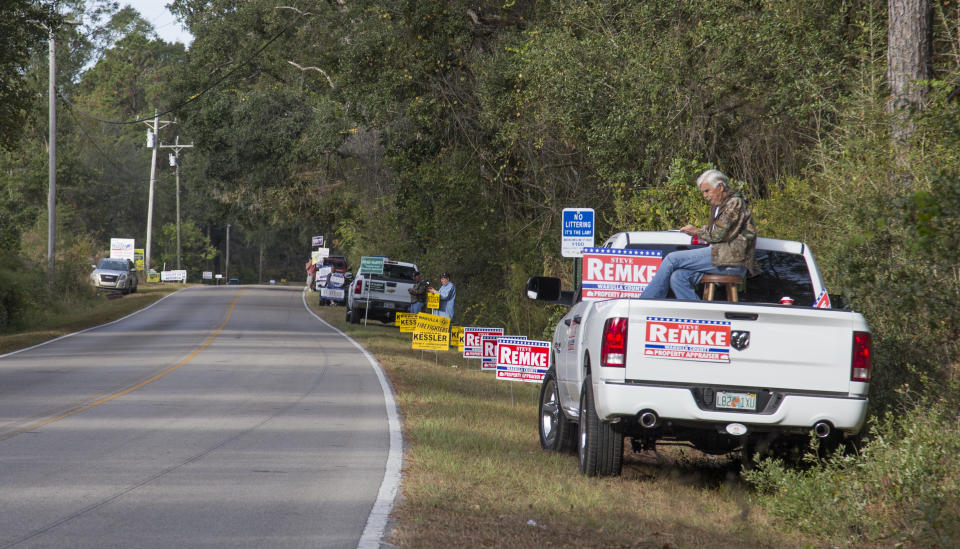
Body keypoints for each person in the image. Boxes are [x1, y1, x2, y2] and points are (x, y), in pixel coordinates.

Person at [640, 169, 758, 301]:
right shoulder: (719, 205)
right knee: (678, 277)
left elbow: (718, 235)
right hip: (721, 257)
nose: (705, 196)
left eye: (707, 191)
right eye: (703, 192)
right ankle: (697, 315)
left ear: (719, 187)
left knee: (672, 259)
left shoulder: (734, 202)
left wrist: (697, 232)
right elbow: (724, 231)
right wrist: (707, 229)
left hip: (732, 260)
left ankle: (646, 301)